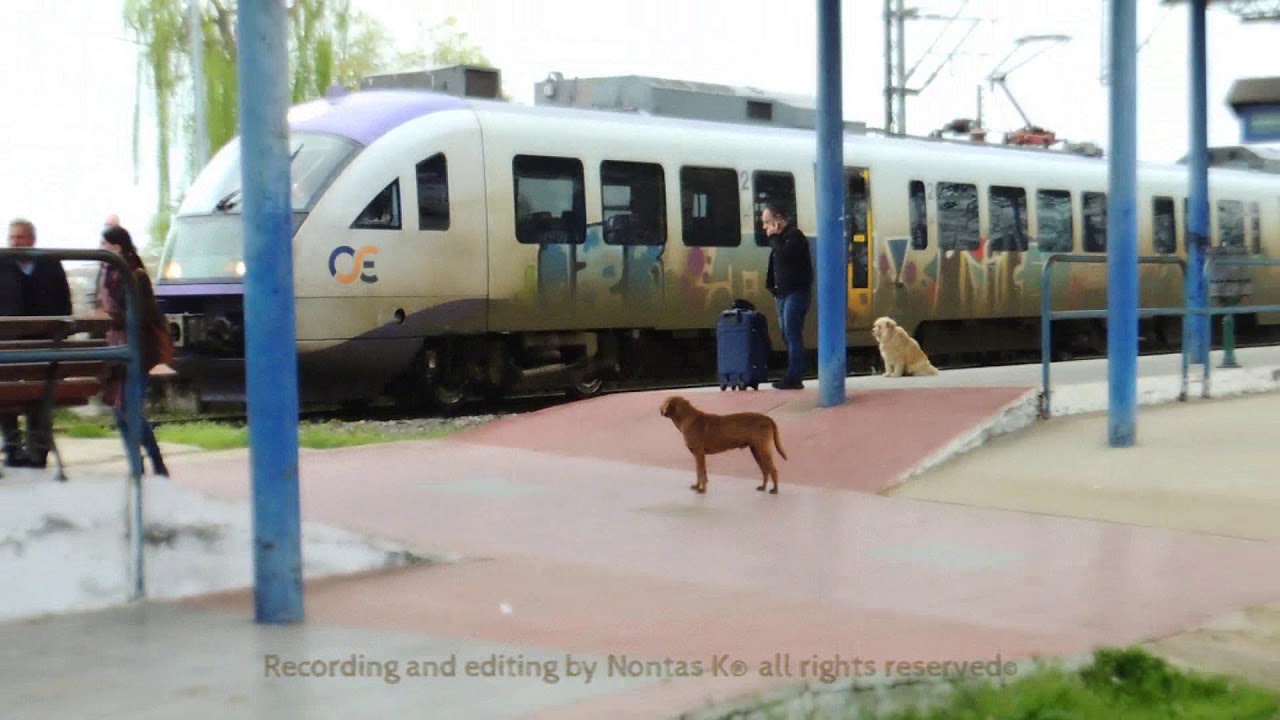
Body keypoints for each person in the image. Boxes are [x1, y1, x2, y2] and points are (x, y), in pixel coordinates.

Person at [97, 225, 170, 477]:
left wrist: (110, 317)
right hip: (116, 350)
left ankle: (155, 461)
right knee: (121, 412)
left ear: (117, 246)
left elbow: (139, 315)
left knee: (128, 410)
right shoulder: (107, 273)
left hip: (137, 349)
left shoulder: (134, 275)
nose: (101, 249)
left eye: (105, 244)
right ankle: (137, 466)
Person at [2, 219, 72, 468]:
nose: (14, 242)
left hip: (42, 346)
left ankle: (37, 449)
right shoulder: (3, 263)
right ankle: (13, 448)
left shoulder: (50, 265)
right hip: (9, 346)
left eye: (19, 237)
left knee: (38, 391)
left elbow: (64, 305)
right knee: (7, 390)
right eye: (11, 237)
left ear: (31, 240)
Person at [762, 203, 813, 390]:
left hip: (796, 292)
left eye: (767, 222)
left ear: (778, 219)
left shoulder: (794, 236)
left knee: (792, 332)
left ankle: (794, 376)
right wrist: (772, 287)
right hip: (782, 294)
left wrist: (774, 237)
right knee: (786, 333)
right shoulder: (781, 239)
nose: (765, 227)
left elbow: (784, 256)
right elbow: (776, 264)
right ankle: (794, 371)